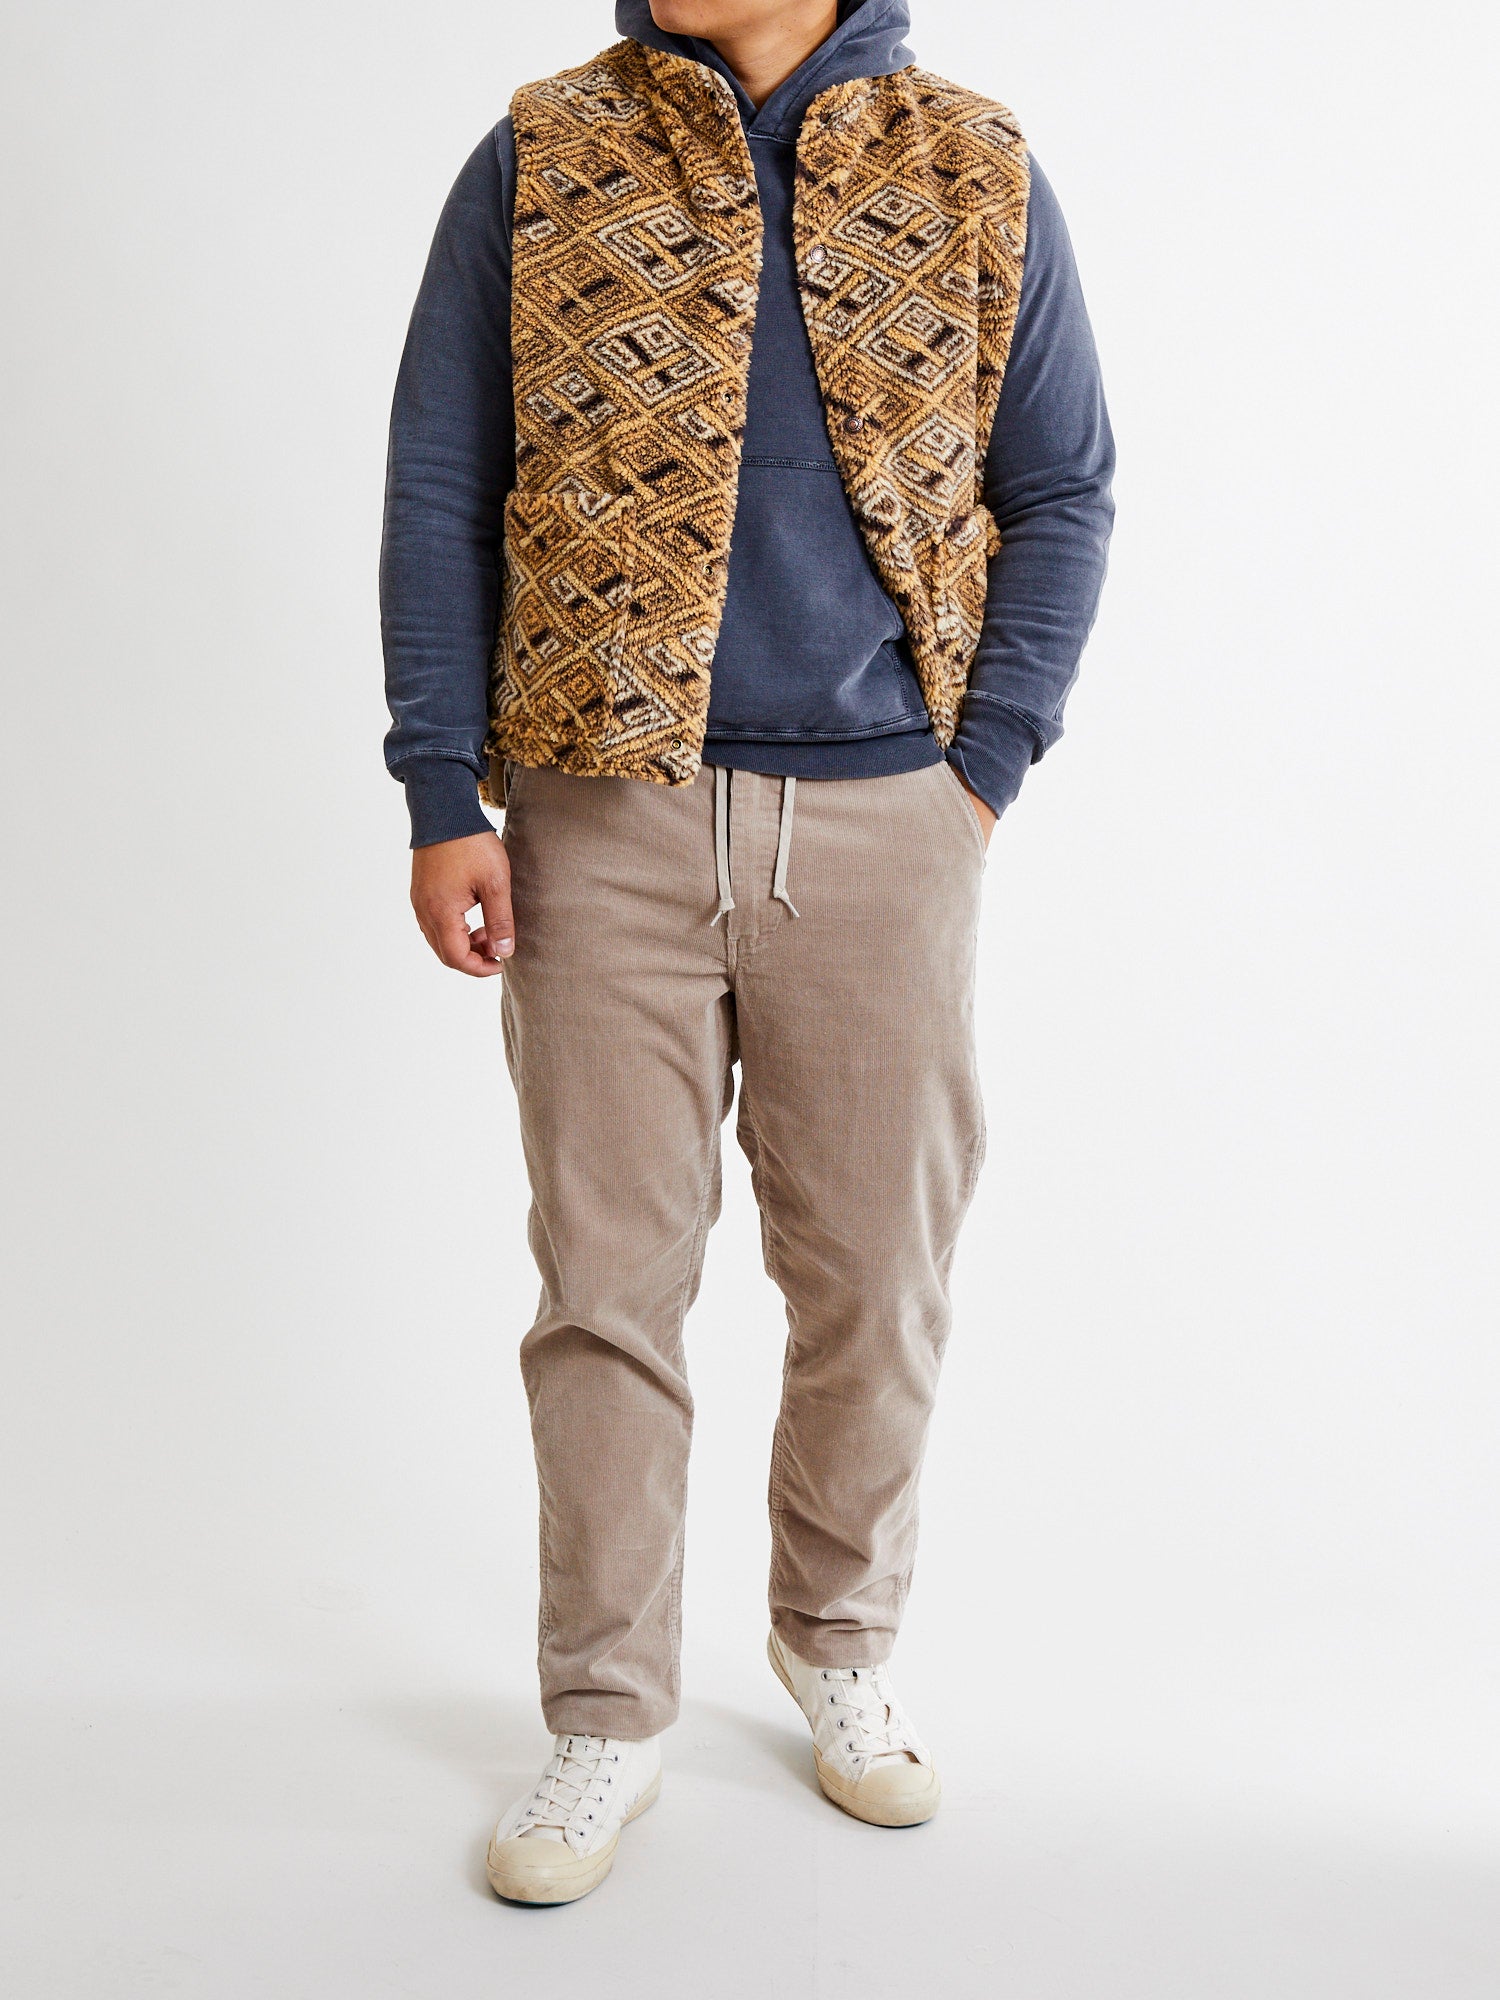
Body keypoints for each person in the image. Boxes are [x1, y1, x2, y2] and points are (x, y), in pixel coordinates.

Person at [381, 0, 1113, 1905]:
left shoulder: (972, 165)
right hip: (595, 815)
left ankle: (836, 1643)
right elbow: (442, 480)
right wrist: (441, 786)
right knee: (605, 1287)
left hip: (888, 818)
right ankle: (605, 1710)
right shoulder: (542, 153)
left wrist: (983, 772)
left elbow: (1061, 490)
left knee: (877, 1275)